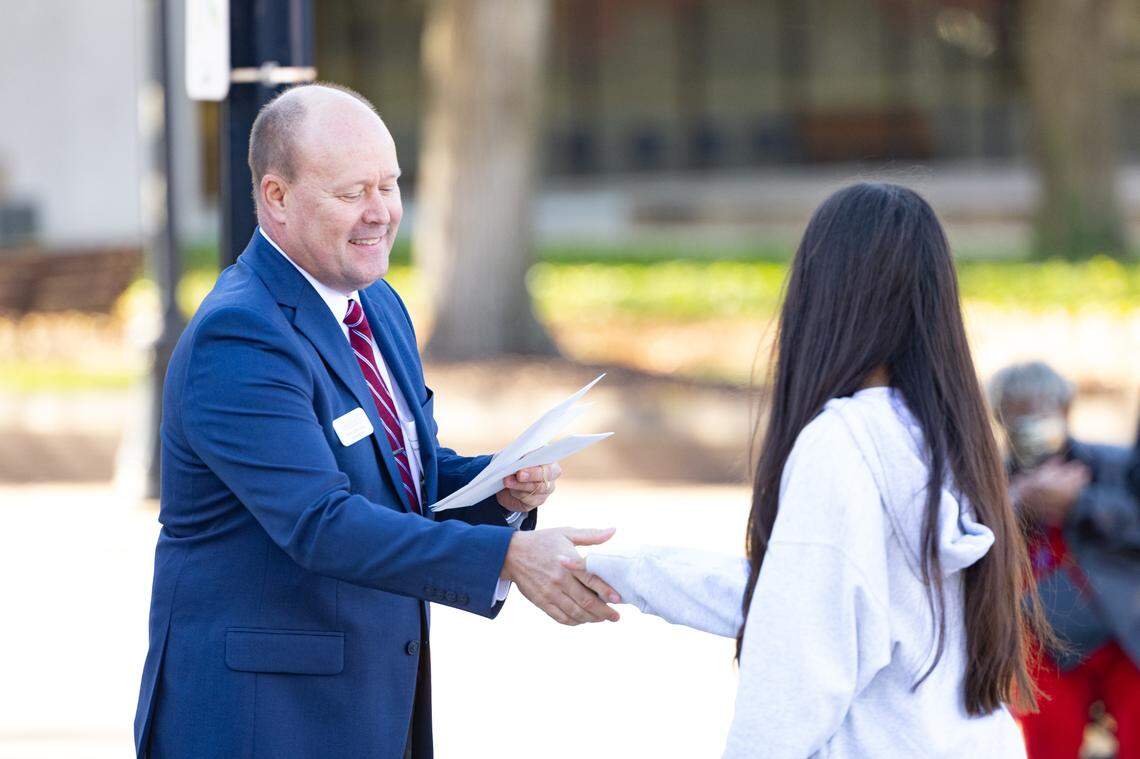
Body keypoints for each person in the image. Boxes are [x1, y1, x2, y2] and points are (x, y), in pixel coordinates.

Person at [133, 83, 620, 759]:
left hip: (370, 704)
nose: (381, 212)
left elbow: (402, 475)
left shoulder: (378, 303)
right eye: (351, 192)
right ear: (276, 198)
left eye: (389, 184)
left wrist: (498, 489)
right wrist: (507, 557)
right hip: (264, 721)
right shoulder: (240, 336)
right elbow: (321, 522)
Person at [572, 183, 1048, 757]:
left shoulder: (842, 444)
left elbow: (795, 676)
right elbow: (801, 593)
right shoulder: (944, 437)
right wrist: (621, 571)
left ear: (822, 298)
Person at [988, 361, 1140, 759]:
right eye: (1018, 413)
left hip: (1121, 630)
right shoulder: (991, 480)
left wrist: (1079, 505)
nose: (1033, 423)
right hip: (1044, 643)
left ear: (1066, 410)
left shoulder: (1112, 465)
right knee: (1045, 736)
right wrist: (1015, 505)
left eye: (1042, 410)